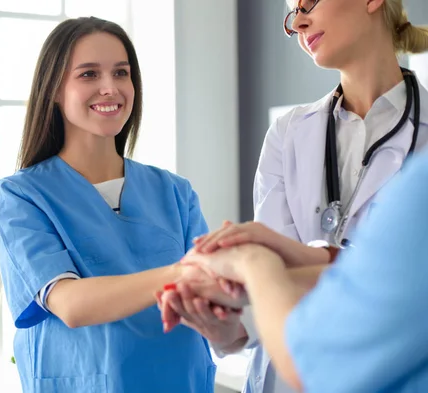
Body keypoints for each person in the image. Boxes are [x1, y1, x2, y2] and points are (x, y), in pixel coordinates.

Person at [159, 1, 428, 392]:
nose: (298, 22)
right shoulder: (287, 134)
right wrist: (224, 327)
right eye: (291, 13)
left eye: (308, 3)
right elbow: (266, 289)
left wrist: (252, 261)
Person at [0, 17, 217, 393]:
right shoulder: (21, 196)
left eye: (121, 73)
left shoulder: (176, 192)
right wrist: (183, 273)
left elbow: (210, 299)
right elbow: (71, 305)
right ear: (54, 90)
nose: (110, 88)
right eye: (89, 74)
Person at [177, 150, 428, 393]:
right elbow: (381, 275)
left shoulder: (420, 185)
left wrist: (254, 262)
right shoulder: (288, 131)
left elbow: (308, 358)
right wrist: (314, 256)